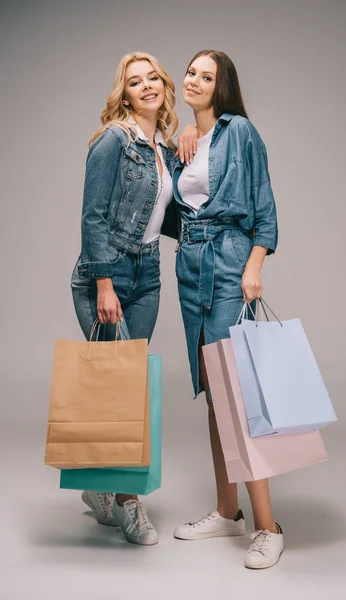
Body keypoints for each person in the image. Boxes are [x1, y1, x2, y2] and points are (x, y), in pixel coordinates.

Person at [71, 51, 195, 546]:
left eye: (152, 79)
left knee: (127, 386)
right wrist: (104, 283)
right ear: (124, 93)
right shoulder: (113, 141)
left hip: (148, 276)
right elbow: (92, 217)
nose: (146, 87)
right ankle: (128, 503)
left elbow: (175, 214)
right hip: (107, 275)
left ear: (163, 86)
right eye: (134, 82)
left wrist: (192, 139)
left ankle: (101, 488)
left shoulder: (162, 149)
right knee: (123, 391)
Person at [171, 50, 283, 569]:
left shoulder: (240, 132)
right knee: (214, 394)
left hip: (230, 262)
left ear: (223, 86)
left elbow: (264, 208)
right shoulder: (186, 142)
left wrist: (254, 267)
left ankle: (268, 525)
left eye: (206, 76)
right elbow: (174, 210)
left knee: (237, 394)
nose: (194, 80)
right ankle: (227, 509)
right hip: (190, 267)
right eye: (191, 72)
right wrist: (179, 146)